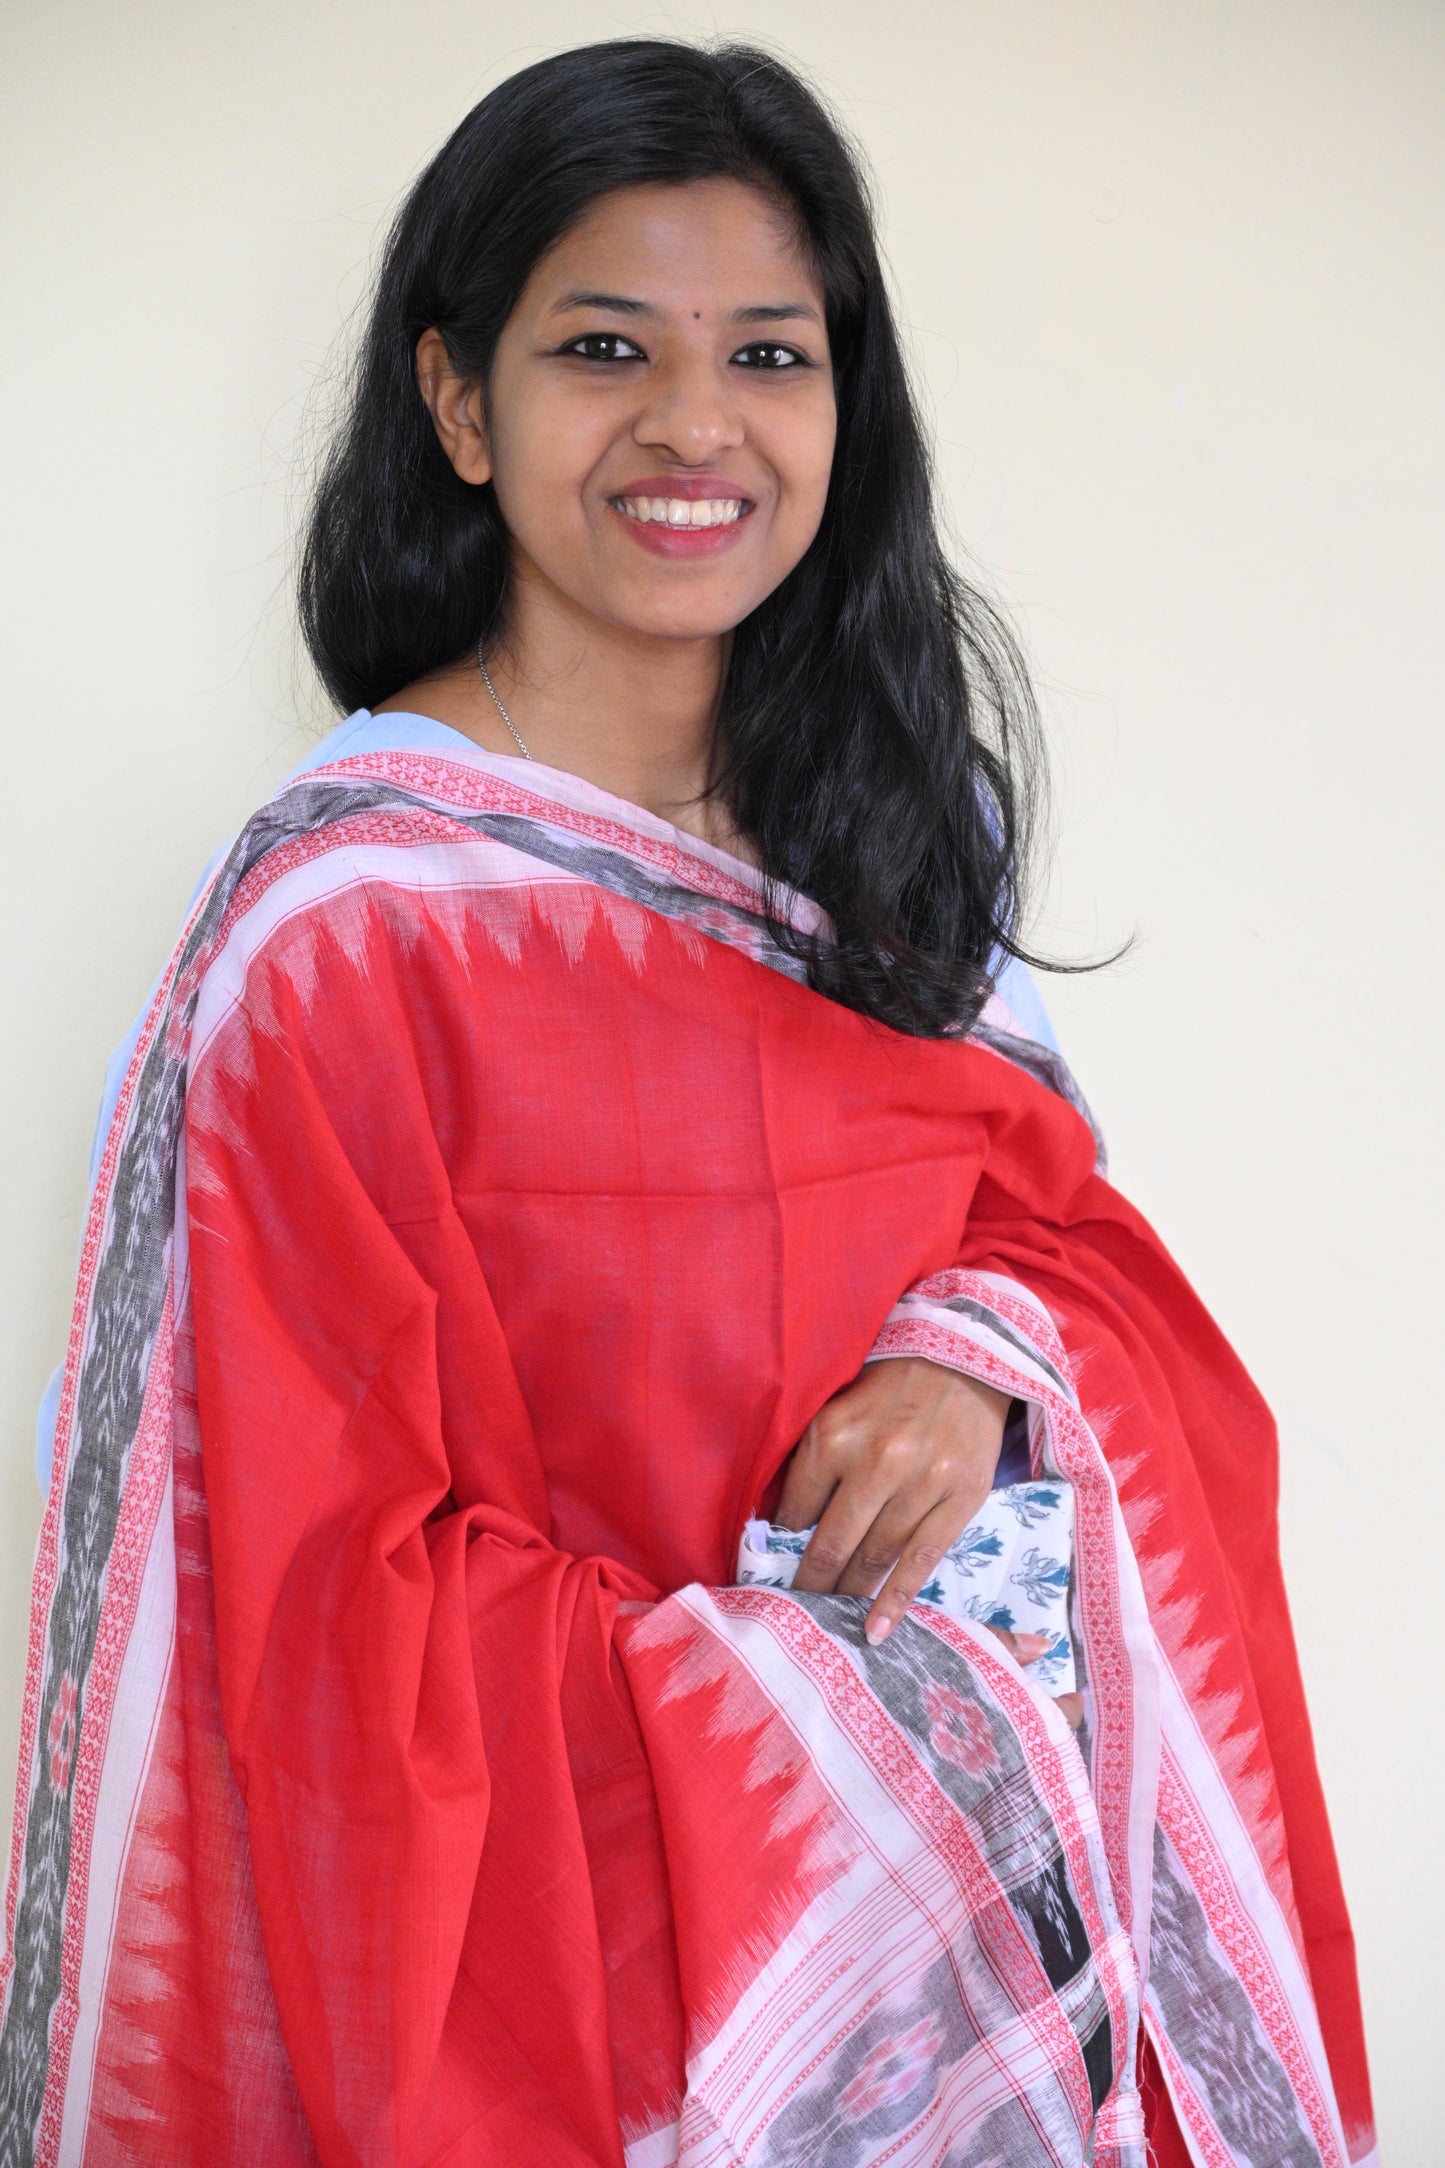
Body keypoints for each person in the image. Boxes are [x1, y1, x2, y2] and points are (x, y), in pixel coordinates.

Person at [0, 37, 1375, 2168]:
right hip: (589, 1988)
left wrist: (978, 1361)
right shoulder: (346, 917)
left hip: (973, 1973)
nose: (695, 424)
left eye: (771, 351)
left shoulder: (906, 839)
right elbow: (310, 1586)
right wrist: (786, 1729)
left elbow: (1062, 1238)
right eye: (605, 346)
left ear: (847, 404)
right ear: (460, 401)